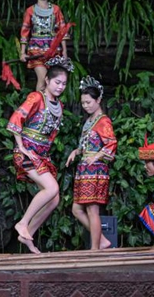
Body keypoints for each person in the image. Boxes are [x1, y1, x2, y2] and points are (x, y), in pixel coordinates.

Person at [8, 55, 73, 254]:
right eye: (57, 82)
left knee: (54, 200)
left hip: (41, 156)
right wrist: (22, 148)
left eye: (64, 84)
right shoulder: (37, 97)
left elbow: (51, 134)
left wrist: (45, 155)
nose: (60, 87)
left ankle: (27, 233)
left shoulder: (59, 106)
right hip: (27, 152)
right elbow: (15, 119)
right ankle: (23, 222)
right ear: (47, 80)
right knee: (51, 188)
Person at [64, 76, 116, 250]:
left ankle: (95, 249)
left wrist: (97, 156)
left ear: (98, 100)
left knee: (92, 210)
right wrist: (76, 151)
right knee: (76, 209)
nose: (85, 106)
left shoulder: (103, 121)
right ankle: (101, 241)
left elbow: (111, 143)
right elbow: (85, 145)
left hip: (95, 171)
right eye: (83, 103)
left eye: (88, 102)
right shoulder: (88, 121)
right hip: (84, 170)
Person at [19, 0, 68, 91]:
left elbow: (62, 30)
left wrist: (64, 52)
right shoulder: (30, 11)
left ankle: (47, 107)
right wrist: (22, 52)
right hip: (36, 50)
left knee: (51, 81)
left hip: (53, 51)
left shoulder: (56, 10)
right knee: (43, 79)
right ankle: (40, 108)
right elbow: (25, 31)